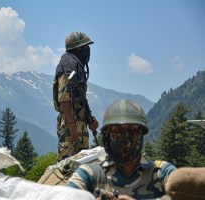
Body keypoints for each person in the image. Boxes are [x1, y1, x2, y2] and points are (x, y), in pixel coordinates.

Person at [66, 99, 177, 199]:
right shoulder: (89, 174)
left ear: (141, 134)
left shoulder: (161, 173)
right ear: (107, 136)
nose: (125, 137)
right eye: (116, 131)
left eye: (132, 130)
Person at [53, 31, 99, 161]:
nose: (87, 50)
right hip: (70, 125)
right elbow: (64, 99)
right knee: (67, 166)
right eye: (83, 47)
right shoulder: (67, 66)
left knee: (83, 166)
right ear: (76, 48)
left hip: (80, 123)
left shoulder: (76, 66)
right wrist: (72, 126)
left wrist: (90, 119)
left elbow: (80, 98)